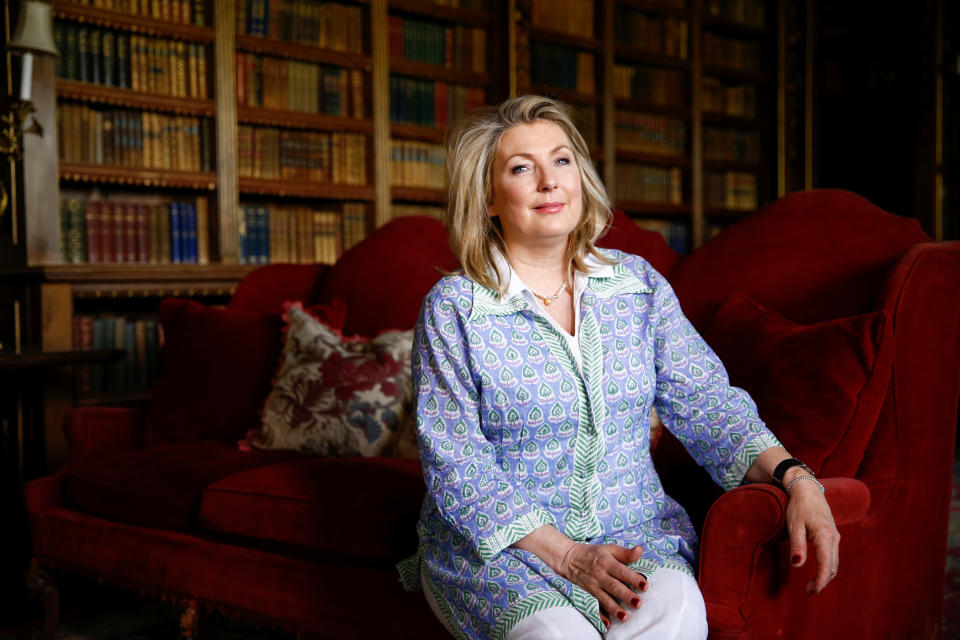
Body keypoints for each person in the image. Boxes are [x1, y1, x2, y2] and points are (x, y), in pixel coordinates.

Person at [396, 95, 840, 640]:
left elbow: (707, 403)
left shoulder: (639, 286)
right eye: (520, 168)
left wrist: (798, 479)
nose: (549, 181)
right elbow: (457, 460)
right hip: (504, 552)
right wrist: (568, 557)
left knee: (678, 616)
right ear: (488, 198)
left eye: (561, 160)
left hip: (635, 534)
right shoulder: (456, 307)